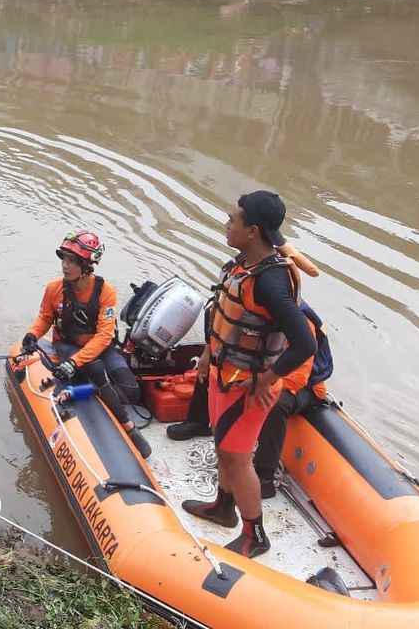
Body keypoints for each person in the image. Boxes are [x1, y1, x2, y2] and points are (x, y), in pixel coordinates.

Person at [180, 191, 317, 559]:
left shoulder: (272, 282)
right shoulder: (242, 263)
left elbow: (305, 344)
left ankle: (254, 534)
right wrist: (209, 352)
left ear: (253, 230)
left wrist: (266, 379)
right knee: (223, 450)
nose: (227, 224)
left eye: (232, 219)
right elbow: (224, 312)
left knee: (238, 459)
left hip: (248, 387)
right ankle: (223, 506)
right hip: (225, 375)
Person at [167, 299, 331, 500]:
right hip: (262, 369)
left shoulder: (300, 323)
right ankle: (199, 421)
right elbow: (216, 323)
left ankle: (265, 476)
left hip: (301, 385)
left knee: (276, 403)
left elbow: (299, 377)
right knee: (215, 367)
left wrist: (259, 383)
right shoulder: (247, 307)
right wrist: (207, 351)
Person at [20, 230, 151, 459]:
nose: (65, 266)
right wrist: (32, 334)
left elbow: (103, 336)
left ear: (87, 265)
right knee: (95, 368)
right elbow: (45, 318)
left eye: (72, 261)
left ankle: (84, 391)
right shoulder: (54, 289)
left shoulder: (105, 292)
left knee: (132, 391)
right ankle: (128, 427)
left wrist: (73, 363)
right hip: (67, 344)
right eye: (65, 259)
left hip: (98, 347)